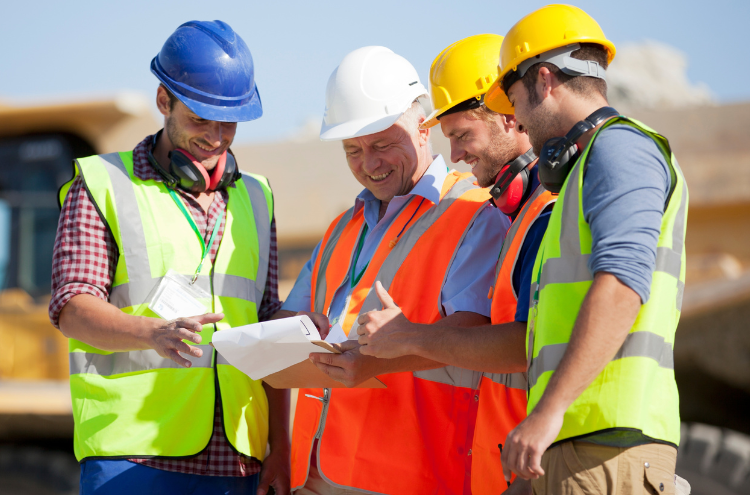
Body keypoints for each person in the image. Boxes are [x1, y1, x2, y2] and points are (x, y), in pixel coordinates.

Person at [50, 21, 290, 495]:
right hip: (134, 455)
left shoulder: (258, 198)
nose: (217, 137)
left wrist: (281, 445)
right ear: (165, 101)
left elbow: (266, 325)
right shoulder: (102, 185)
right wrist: (153, 333)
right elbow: (73, 308)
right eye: (201, 119)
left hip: (239, 459)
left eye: (229, 123)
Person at [274, 46, 509, 494]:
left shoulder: (475, 212)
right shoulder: (342, 227)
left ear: (424, 127)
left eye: (382, 143)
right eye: (353, 150)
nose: (369, 163)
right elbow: (295, 317)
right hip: (318, 469)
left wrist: (377, 357)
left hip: (411, 472)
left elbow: (473, 331)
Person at [483, 5, 688, 494]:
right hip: (586, 443)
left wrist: (548, 413)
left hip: (607, 440)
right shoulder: (582, 172)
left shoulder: (621, 149)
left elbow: (621, 286)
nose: (517, 122)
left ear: (545, 80)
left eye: (514, 100)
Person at [355, 34, 556, 495]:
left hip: (539, 465)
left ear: (512, 117)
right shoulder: (518, 215)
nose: (458, 155)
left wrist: (408, 337)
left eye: (463, 135)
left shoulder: (546, 212)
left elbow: (525, 345)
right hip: (506, 466)